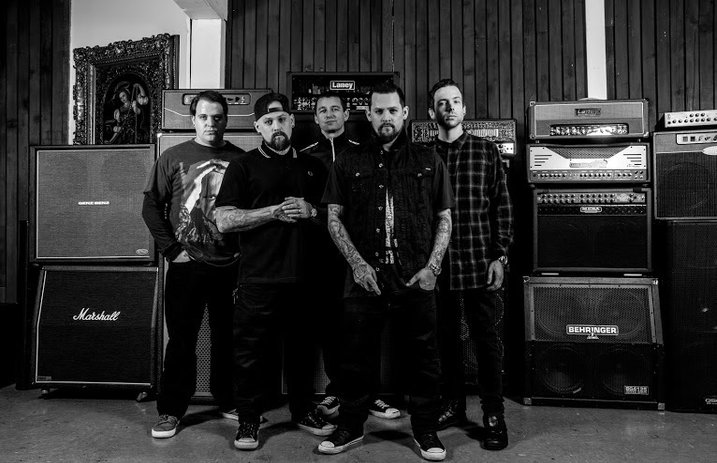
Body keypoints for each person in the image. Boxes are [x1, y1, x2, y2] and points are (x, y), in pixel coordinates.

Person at [318, 82, 454, 461]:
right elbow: (333, 218)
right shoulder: (348, 161)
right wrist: (358, 264)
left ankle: (426, 431)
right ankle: (350, 427)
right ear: (368, 115)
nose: (386, 117)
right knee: (354, 359)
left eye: (393, 110)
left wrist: (432, 268)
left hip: (416, 277)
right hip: (365, 278)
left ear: (405, 113)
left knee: (424, 359)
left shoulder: (428, 159)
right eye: (378, 111)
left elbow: (444, 217)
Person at [214, 92, 336, 451]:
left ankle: (303, 410)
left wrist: (311, 211)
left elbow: (335, 218)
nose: (276, 126)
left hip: (305, 278)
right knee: (250, 354)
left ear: (292, 122)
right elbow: (223, 220)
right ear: (258, 127)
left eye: (282, 119)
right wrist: (273, 212)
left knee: (302, 351)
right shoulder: (243, 166)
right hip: (259, 277)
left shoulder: (314, 167)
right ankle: (249, 420)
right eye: (268, 121)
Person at [142, 90, 244, 439]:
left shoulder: (240, 159)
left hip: (230, 265)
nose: (210, 123)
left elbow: (251, 211)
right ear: (193, 120)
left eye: (217, 117)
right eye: (204, 117)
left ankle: (228, 399)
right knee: (182, 341)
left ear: (226, 120)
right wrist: (172, 251)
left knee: (228, 339)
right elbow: (150, 207)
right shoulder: (172, 157)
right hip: (187, 264)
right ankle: (171, 410)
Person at [299, 91, 401, 421]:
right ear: (315, 117)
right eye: (322, 110)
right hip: (321, 255)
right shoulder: (305, 157)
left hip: (361, 253)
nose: (329, 114)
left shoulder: (363, 152)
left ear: (346, 115)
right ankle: (339, 391)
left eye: (335, 109)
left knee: (365, 326)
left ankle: (370, 394)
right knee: (330, 326)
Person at [427, 78, 513, 451]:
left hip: (479, 260)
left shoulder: (486, 151)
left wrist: (500, 255)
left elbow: (502, 206)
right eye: (442, 103)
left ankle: (493, 414)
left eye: (455, 101)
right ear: (432, 112)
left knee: (486, 341)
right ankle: (453, 405)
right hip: (439, 265)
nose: (449, 107)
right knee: (444, 340)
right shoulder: (423, 156)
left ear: (464, 109)